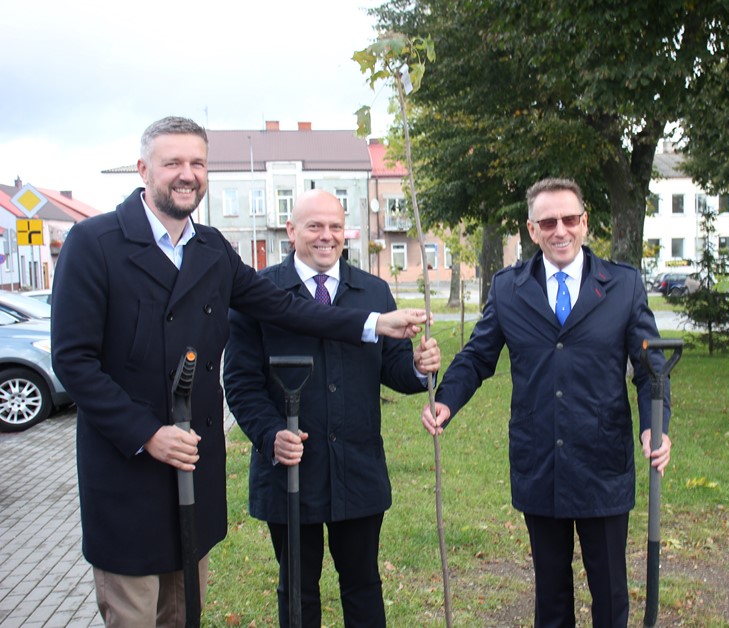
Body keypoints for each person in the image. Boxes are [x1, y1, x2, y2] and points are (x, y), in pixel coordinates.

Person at [50, 116, 427, 627]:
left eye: (198, 163)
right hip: (129, 473)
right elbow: (73, 361)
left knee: (186, 613)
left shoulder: (211, 250)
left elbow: (287, 308)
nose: (187, 174)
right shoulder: (93, 243)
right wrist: (147, 434)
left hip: (194, 469)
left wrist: (374, 322)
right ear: (143, 169)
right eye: (173, 163)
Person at [421, 177, 673, 627]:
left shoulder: (623, 285)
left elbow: (651, 367)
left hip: (603, 462)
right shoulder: (508, 289)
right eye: (549, 222)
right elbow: (478, 355)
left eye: (569, 219)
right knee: (551, 597)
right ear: (532, 230)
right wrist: (447, 400)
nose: (561, 230)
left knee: (610, 592)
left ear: (585, 223)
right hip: (540, 461)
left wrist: (656, 425)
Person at [223, 189, 440, 627]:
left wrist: (418, 368)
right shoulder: (259, 294)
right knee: (297, 589)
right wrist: (270, 435)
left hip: (356, 468)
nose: (327, 236)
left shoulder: (373, 291)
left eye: (335, 227)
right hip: (290, 470)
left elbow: (394, 368)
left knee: (363, 584)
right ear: (291, 231)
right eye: (315, 226)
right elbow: (241, 383)